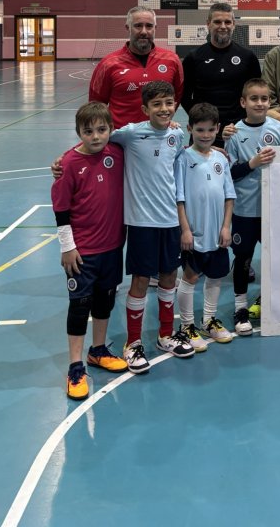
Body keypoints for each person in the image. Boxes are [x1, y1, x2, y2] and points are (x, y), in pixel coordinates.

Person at [109, 80, 194, 373]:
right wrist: (64, 160)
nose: (164, 109)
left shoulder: (177, 135)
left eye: (169, 103)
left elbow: (182, 167)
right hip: (142, 222)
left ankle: (165, 335)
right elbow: (97, 140)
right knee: (141, 281)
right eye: (157, 104)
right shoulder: (131, 134)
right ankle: (133, 343)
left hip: (170, 220)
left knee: (170, 276)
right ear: (145, 109)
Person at [51, 101, 127, 399]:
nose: (95, 137)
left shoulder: (117, 154)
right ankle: (75, 366)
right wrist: (68, 247)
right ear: (78, 132)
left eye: (101, 130)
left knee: (105, 301)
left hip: (112, 246)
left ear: (111, 129)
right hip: (82, 252)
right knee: (79, 306)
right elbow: (61, 209)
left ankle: (97, 350)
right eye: (88, 131)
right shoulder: (69, 163)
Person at [225, 78, 280, 335]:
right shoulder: (235, 133)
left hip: (273, 208)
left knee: (277, 258)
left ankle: (270, 301)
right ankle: (240, 307)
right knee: (243, 258)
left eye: (264, 99)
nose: (260, 103)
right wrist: (252, 163)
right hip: (246, 210)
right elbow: (229, 173)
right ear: (243, 102)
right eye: (254, 99)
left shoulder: (279, 129)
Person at [176, 102, 237, 351]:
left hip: (217, 232)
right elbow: (179, 197)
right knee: (190, 277)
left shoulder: (221, 158)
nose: (205, 135)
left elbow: (229, 196)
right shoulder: (183, 159)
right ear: (190, 128)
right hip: (194, 233)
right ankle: (187, 325)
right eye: (200, 130)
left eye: (211, 130)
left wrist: (226, 227)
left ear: (218, 129)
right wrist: (185, 230)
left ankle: (209, 320)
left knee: (216, 276)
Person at [89, 5, 184, 129]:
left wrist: (163, 120)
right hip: (120, 141)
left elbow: (177, 95)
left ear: (155, 28)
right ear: (128, 28)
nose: (144, 31)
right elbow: (96, 105)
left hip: (159, 136)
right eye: (138, 26)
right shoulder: (108, 63)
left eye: (149, 26)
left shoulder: (172, 60)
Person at [181, 3, 261, 142]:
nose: (223, 26)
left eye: (227, 22)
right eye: (217, 21)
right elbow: (185, 96)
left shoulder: (248, 57)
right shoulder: (193, 58)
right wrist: (201, 118)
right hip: (205, 132)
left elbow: (255, 94)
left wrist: (244, 121)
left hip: (239, 130)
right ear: (208, 24)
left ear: (234, 24)